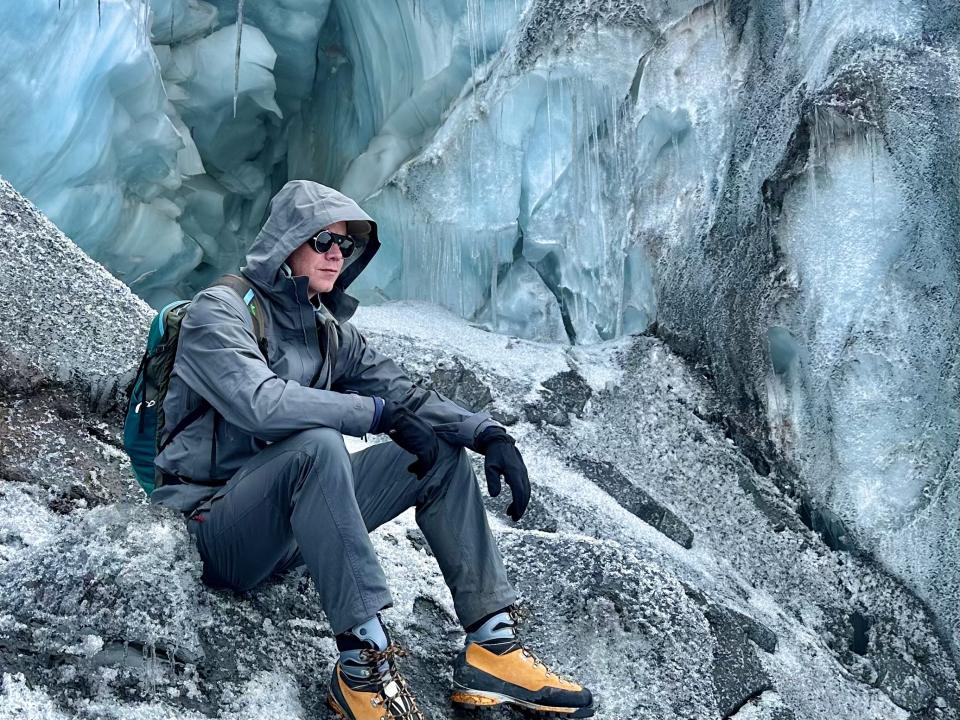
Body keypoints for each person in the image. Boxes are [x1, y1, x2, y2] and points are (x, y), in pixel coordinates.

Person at [151, 180, 594, 719]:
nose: (336, 254)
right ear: (286, 241)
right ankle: (363, 669)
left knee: (435, 457)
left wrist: (486, 433)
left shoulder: (326, 332)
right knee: (317, 444)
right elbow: (259, 404)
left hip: (291, 532)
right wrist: (374, 415)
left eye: (345, 245)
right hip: (213, 530)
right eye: (322, 241)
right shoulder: (219, 313)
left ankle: (493, 648)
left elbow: (403, 393)